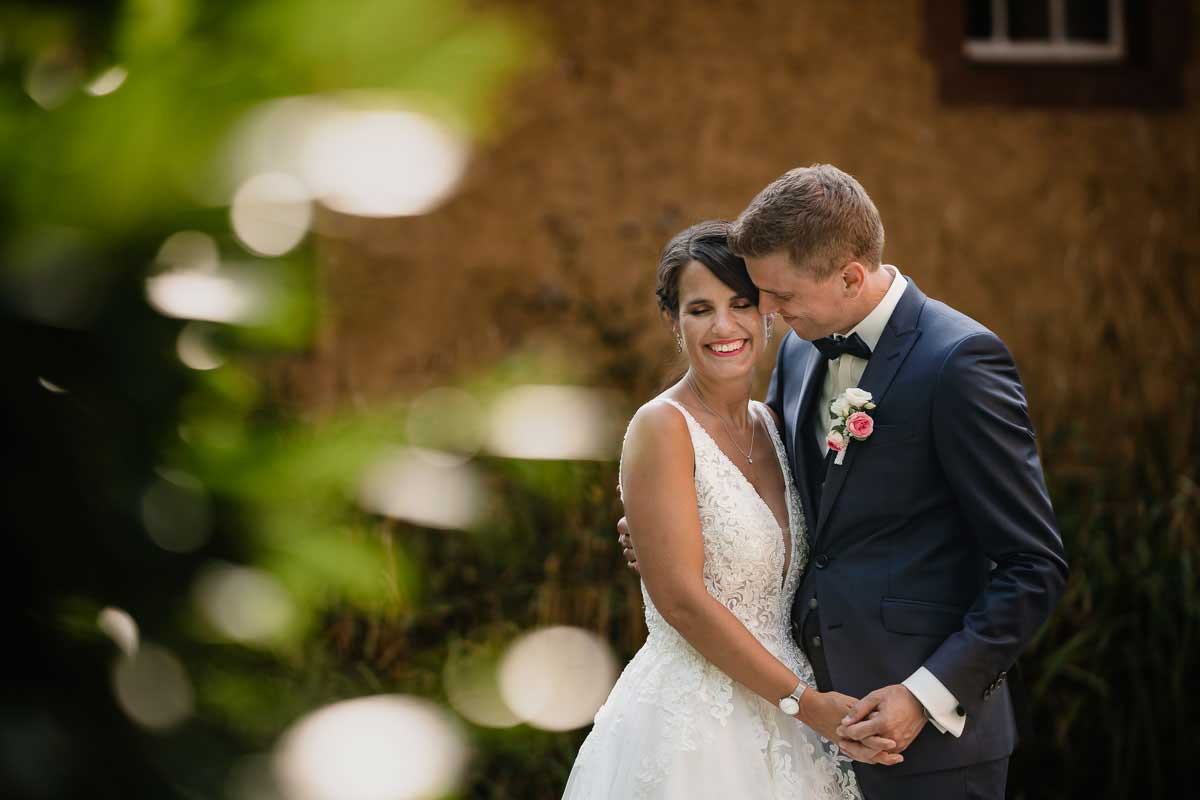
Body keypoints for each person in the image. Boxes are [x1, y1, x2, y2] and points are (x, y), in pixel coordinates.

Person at [618, 166, 1069, 800]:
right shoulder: (802, 351)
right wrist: (672, 535)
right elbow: (786, 501)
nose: (764, 314)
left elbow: (1033, 565)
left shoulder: (960, 362)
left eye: (773, 295)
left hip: (928, 744)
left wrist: (924, 695)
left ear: (849, 276)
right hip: (801, 731)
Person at [562, 220, 880, 799]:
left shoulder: (775, 424)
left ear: (767, 311)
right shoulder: (661, 428)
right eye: (700, 309)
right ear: (673, 321)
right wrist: (805, 704)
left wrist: (801, 704)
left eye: (740, 303)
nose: (724, 326)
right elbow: (682, 601)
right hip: (696, 725)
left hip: (788, 714)